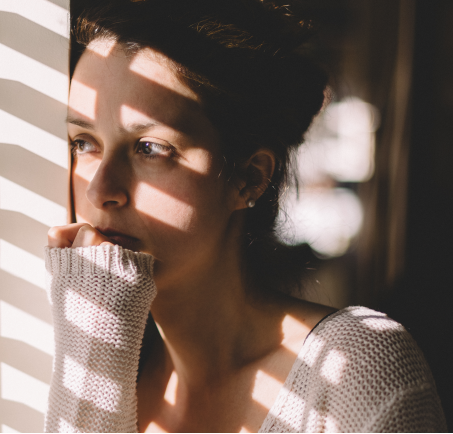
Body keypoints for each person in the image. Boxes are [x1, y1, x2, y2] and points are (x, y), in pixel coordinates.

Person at [43, 0, 447, 431]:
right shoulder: (97, 366)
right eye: (83, 142)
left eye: (151, 148)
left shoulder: (354, 372)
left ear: (248, 178)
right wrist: (94, 343)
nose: (99, 189)